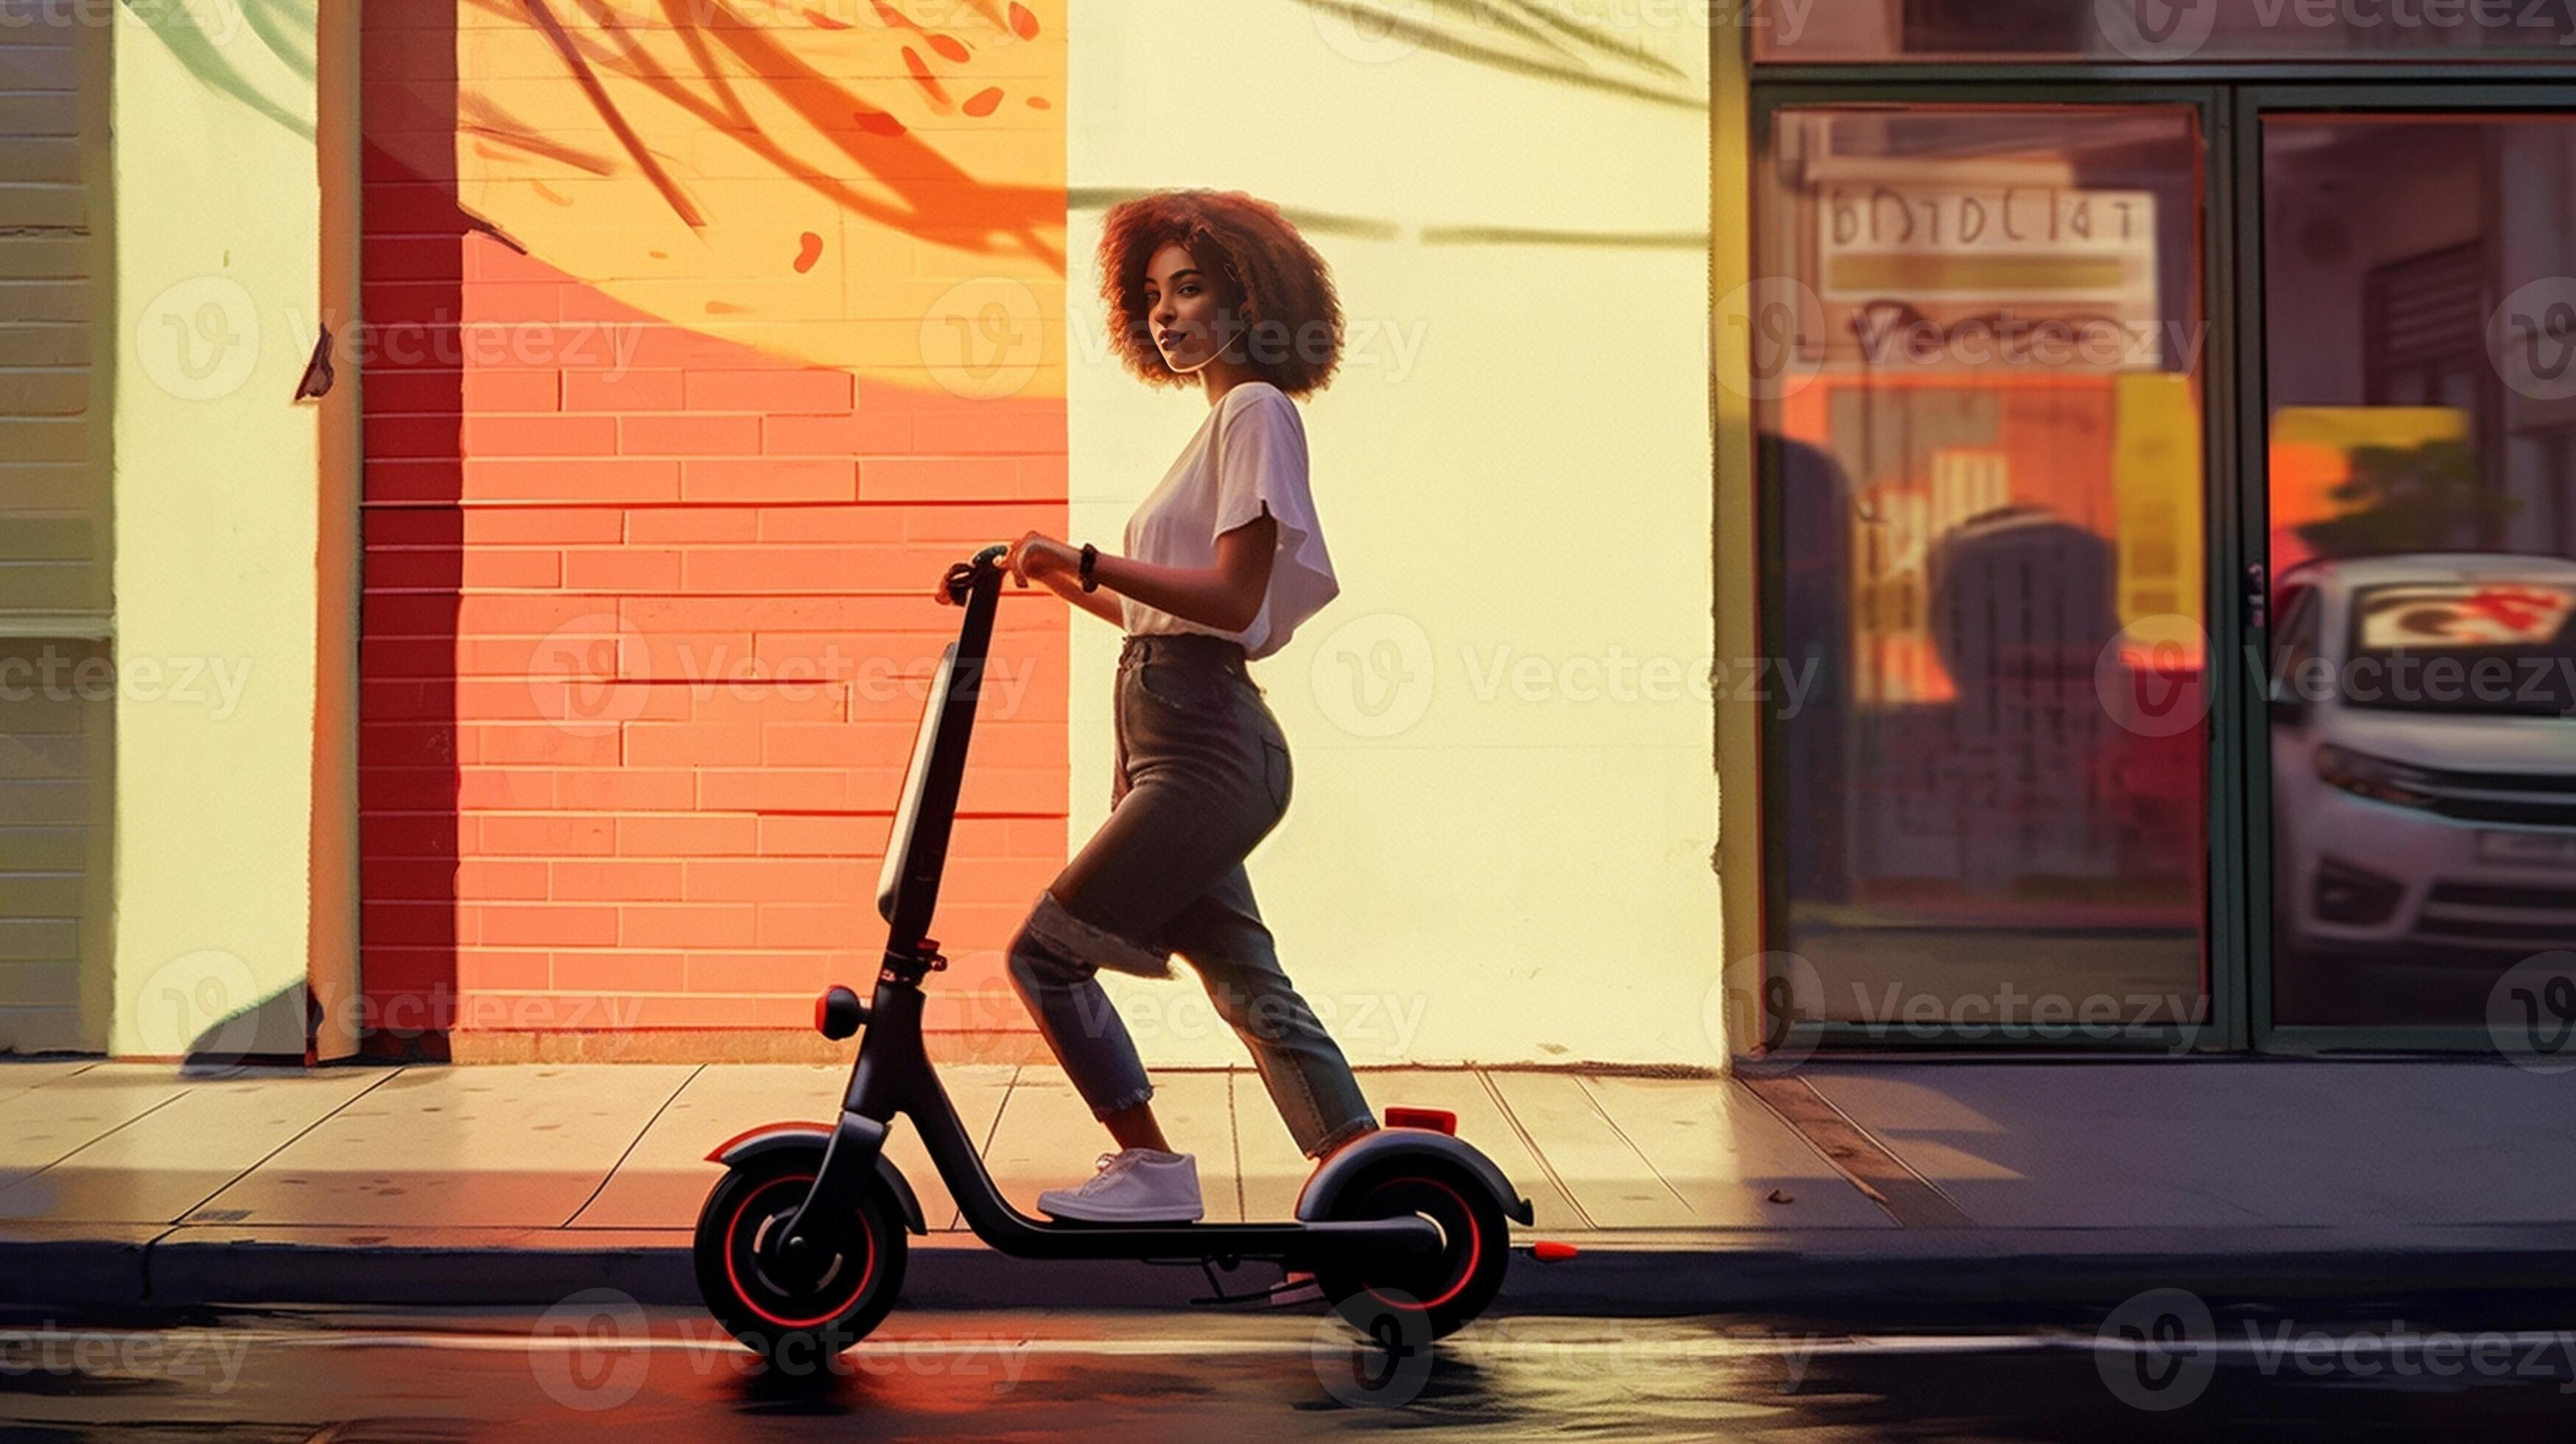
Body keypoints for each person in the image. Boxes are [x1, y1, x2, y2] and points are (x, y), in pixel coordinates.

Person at [934, 189, 1378, 1222]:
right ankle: (1364, 1178)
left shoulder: (1255, 410)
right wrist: (1037, 569)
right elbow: (1151, 612)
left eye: (1191, 287)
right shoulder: (1219, 424)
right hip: (1170, 734)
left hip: (1207, 743)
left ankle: (1151, 1171)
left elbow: (1226, 601)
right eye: (1153, 295)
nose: (1169, 312)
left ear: (1248, 294)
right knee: (1245, 982)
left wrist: (1084, 554)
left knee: (1044, 953)